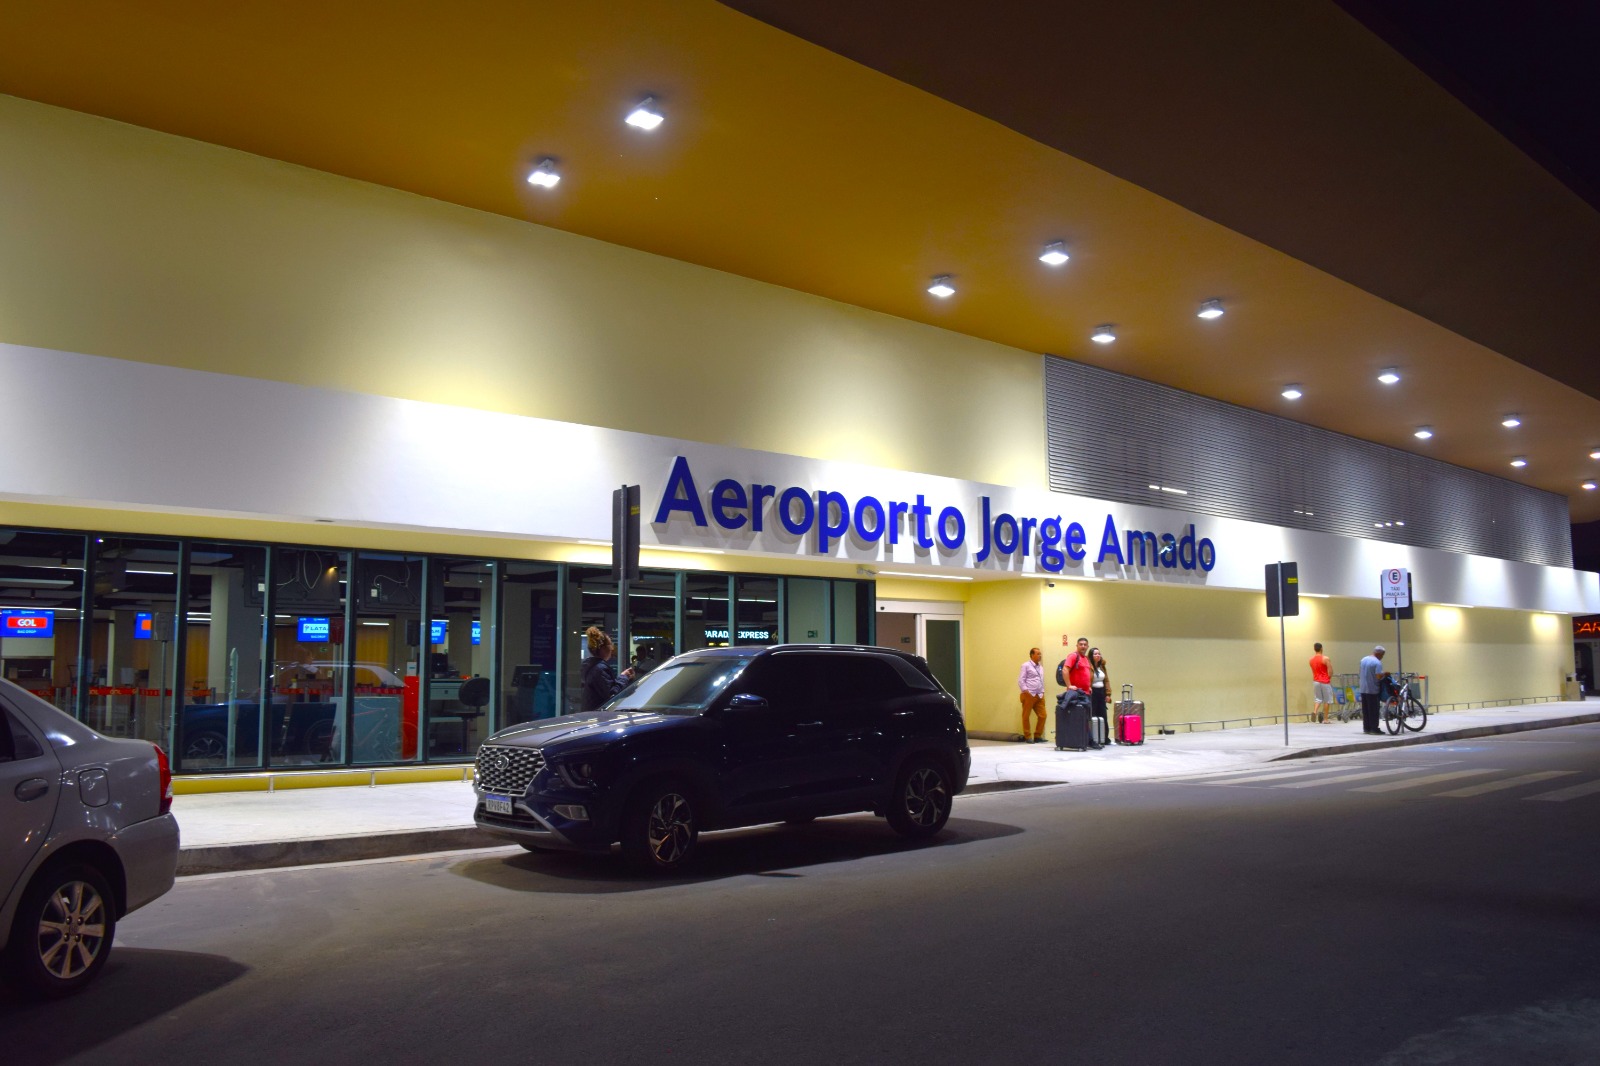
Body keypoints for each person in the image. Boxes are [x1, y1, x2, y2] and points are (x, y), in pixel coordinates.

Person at [580, 625, 634, 712]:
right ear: (602, 648)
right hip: (599, 716)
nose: (612, 648)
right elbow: (612, 695)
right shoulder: (600, 669)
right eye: (610, 644)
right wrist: (624, 677)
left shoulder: (590, 666)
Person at [1357, 645, 1390, 735]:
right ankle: (1374, 729)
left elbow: (1360, 672)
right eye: (1382, 655)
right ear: (1379, 654)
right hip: (1373, 689)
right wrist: (1385, 673)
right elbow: (1378, 676)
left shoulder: (1363, 660)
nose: (1382, 657)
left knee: (1366, 710)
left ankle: (1366, 728)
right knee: (1374, 710)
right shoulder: (1377, 662)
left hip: (1363, 688)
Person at [1017, 647, 1046, 743]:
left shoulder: (1041, 667)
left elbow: (1040, 680)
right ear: (1032, 655)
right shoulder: (1025, 665)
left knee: (1043, 715)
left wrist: (1042, 691)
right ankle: (1028, 736)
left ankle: (1037, 736)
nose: (1040, 656)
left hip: (1039, 695)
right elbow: (1021, 680)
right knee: (1026, 716)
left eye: (1040, 654)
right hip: (1028, 694)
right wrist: (1026, 691)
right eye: (1038, 654)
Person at [1088, 646, 1111, 739]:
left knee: (1103, 714)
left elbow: (1106, 680)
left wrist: (1108, 694)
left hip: (1101, 692)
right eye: (1095, 654)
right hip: (1092, 692)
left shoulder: (1102, 666)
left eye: (1099, 654)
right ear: (1091, 656)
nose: (1098, 655)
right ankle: (1093, 737)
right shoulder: (1088, 666)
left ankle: (1104, 737)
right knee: (1093, 714)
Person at [1310, 642, 1333, 723]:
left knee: (1318, 699)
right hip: (1325, 681)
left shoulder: (1311, 660)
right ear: (1321, 648)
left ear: (1314, 649)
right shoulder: (1325, 659)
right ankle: (1325, 719)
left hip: (1316, 681)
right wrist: (1329, 678)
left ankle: (1315, 711)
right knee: (1327, 700)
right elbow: (1330, 671)